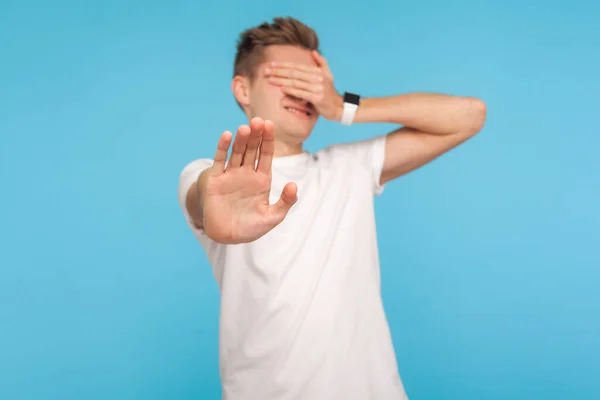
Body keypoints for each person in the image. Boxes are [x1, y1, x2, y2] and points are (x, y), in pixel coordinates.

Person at [178, 16, 486, 400]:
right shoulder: (211, 175)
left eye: (310, 81)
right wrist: (210, 206)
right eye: (285, 78)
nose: (302, 92)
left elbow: (470, 114)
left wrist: (343, 106)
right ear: (243, 89)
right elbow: (202, 197)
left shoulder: (348, 168)